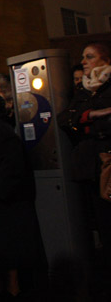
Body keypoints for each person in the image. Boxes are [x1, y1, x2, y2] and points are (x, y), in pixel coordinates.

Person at [0, 93, 47, 299]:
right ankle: (6, 289)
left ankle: (15, 290)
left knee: (9, 251)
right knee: (0, 252)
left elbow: (12, 166)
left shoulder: (2, 134)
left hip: (5, 208)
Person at [60, 42, 111, 273]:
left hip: (106, 163)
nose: (83, 61)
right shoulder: (84, 90)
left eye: (89, 57)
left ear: (105, 60)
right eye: (83, 56)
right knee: (98, 222)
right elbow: (66, 119)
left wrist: (86, 121)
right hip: (89, 168)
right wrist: (94, 114)